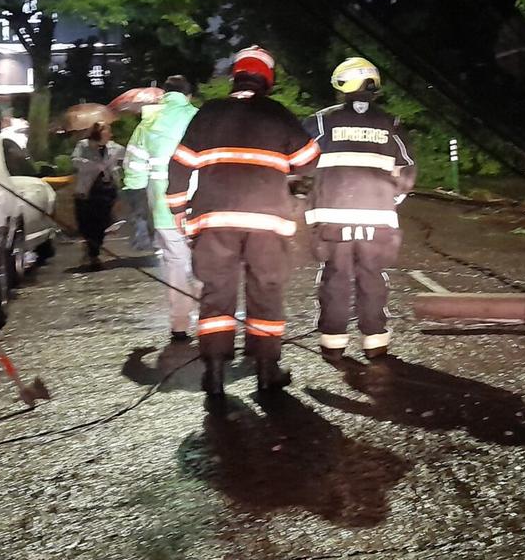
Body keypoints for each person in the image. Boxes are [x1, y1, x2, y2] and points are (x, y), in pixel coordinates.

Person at [166, 46, 320, 396]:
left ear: (235, 76)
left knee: (216, 293)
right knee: (266, 290)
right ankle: (267, 371)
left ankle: (215, 374)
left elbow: (178, 164)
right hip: (268, 220)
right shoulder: (277, 113)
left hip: (214, 219)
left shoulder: (210, 112)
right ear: (267, 79)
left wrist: (177, 209)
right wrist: (289, 184)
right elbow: (310, 159)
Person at [304, 57, 416, 361]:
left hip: (331, 220)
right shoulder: (391, 124)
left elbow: (298, 161)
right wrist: (390, 201)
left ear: (342, 85)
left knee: (335, 277)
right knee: (372, 277)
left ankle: (333, 343)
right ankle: (376, 341)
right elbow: (407, 168)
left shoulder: (321, 122)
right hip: (378, 220)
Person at [123, 76, 201, 341]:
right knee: (207, 262)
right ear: (189, 95)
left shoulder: (149, 123)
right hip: (202, 204)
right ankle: (211, 322)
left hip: (163, 206)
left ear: (165, 95)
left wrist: (137, 196)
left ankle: (180, 325)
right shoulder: (201, 119)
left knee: (175, 264)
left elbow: (133, 167)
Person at [72, 122, 124, 271]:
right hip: (88, 190)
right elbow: (75, 161)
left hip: (106, 189)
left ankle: (94, 252)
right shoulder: (83, 145)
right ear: (98, 133)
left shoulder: (115, 148)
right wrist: (92, 165)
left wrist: (117, 170)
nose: (109, 134)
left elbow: (126, 159)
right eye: (106, 131)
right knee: (88, 224)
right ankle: (92, 251)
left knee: (102, 222)